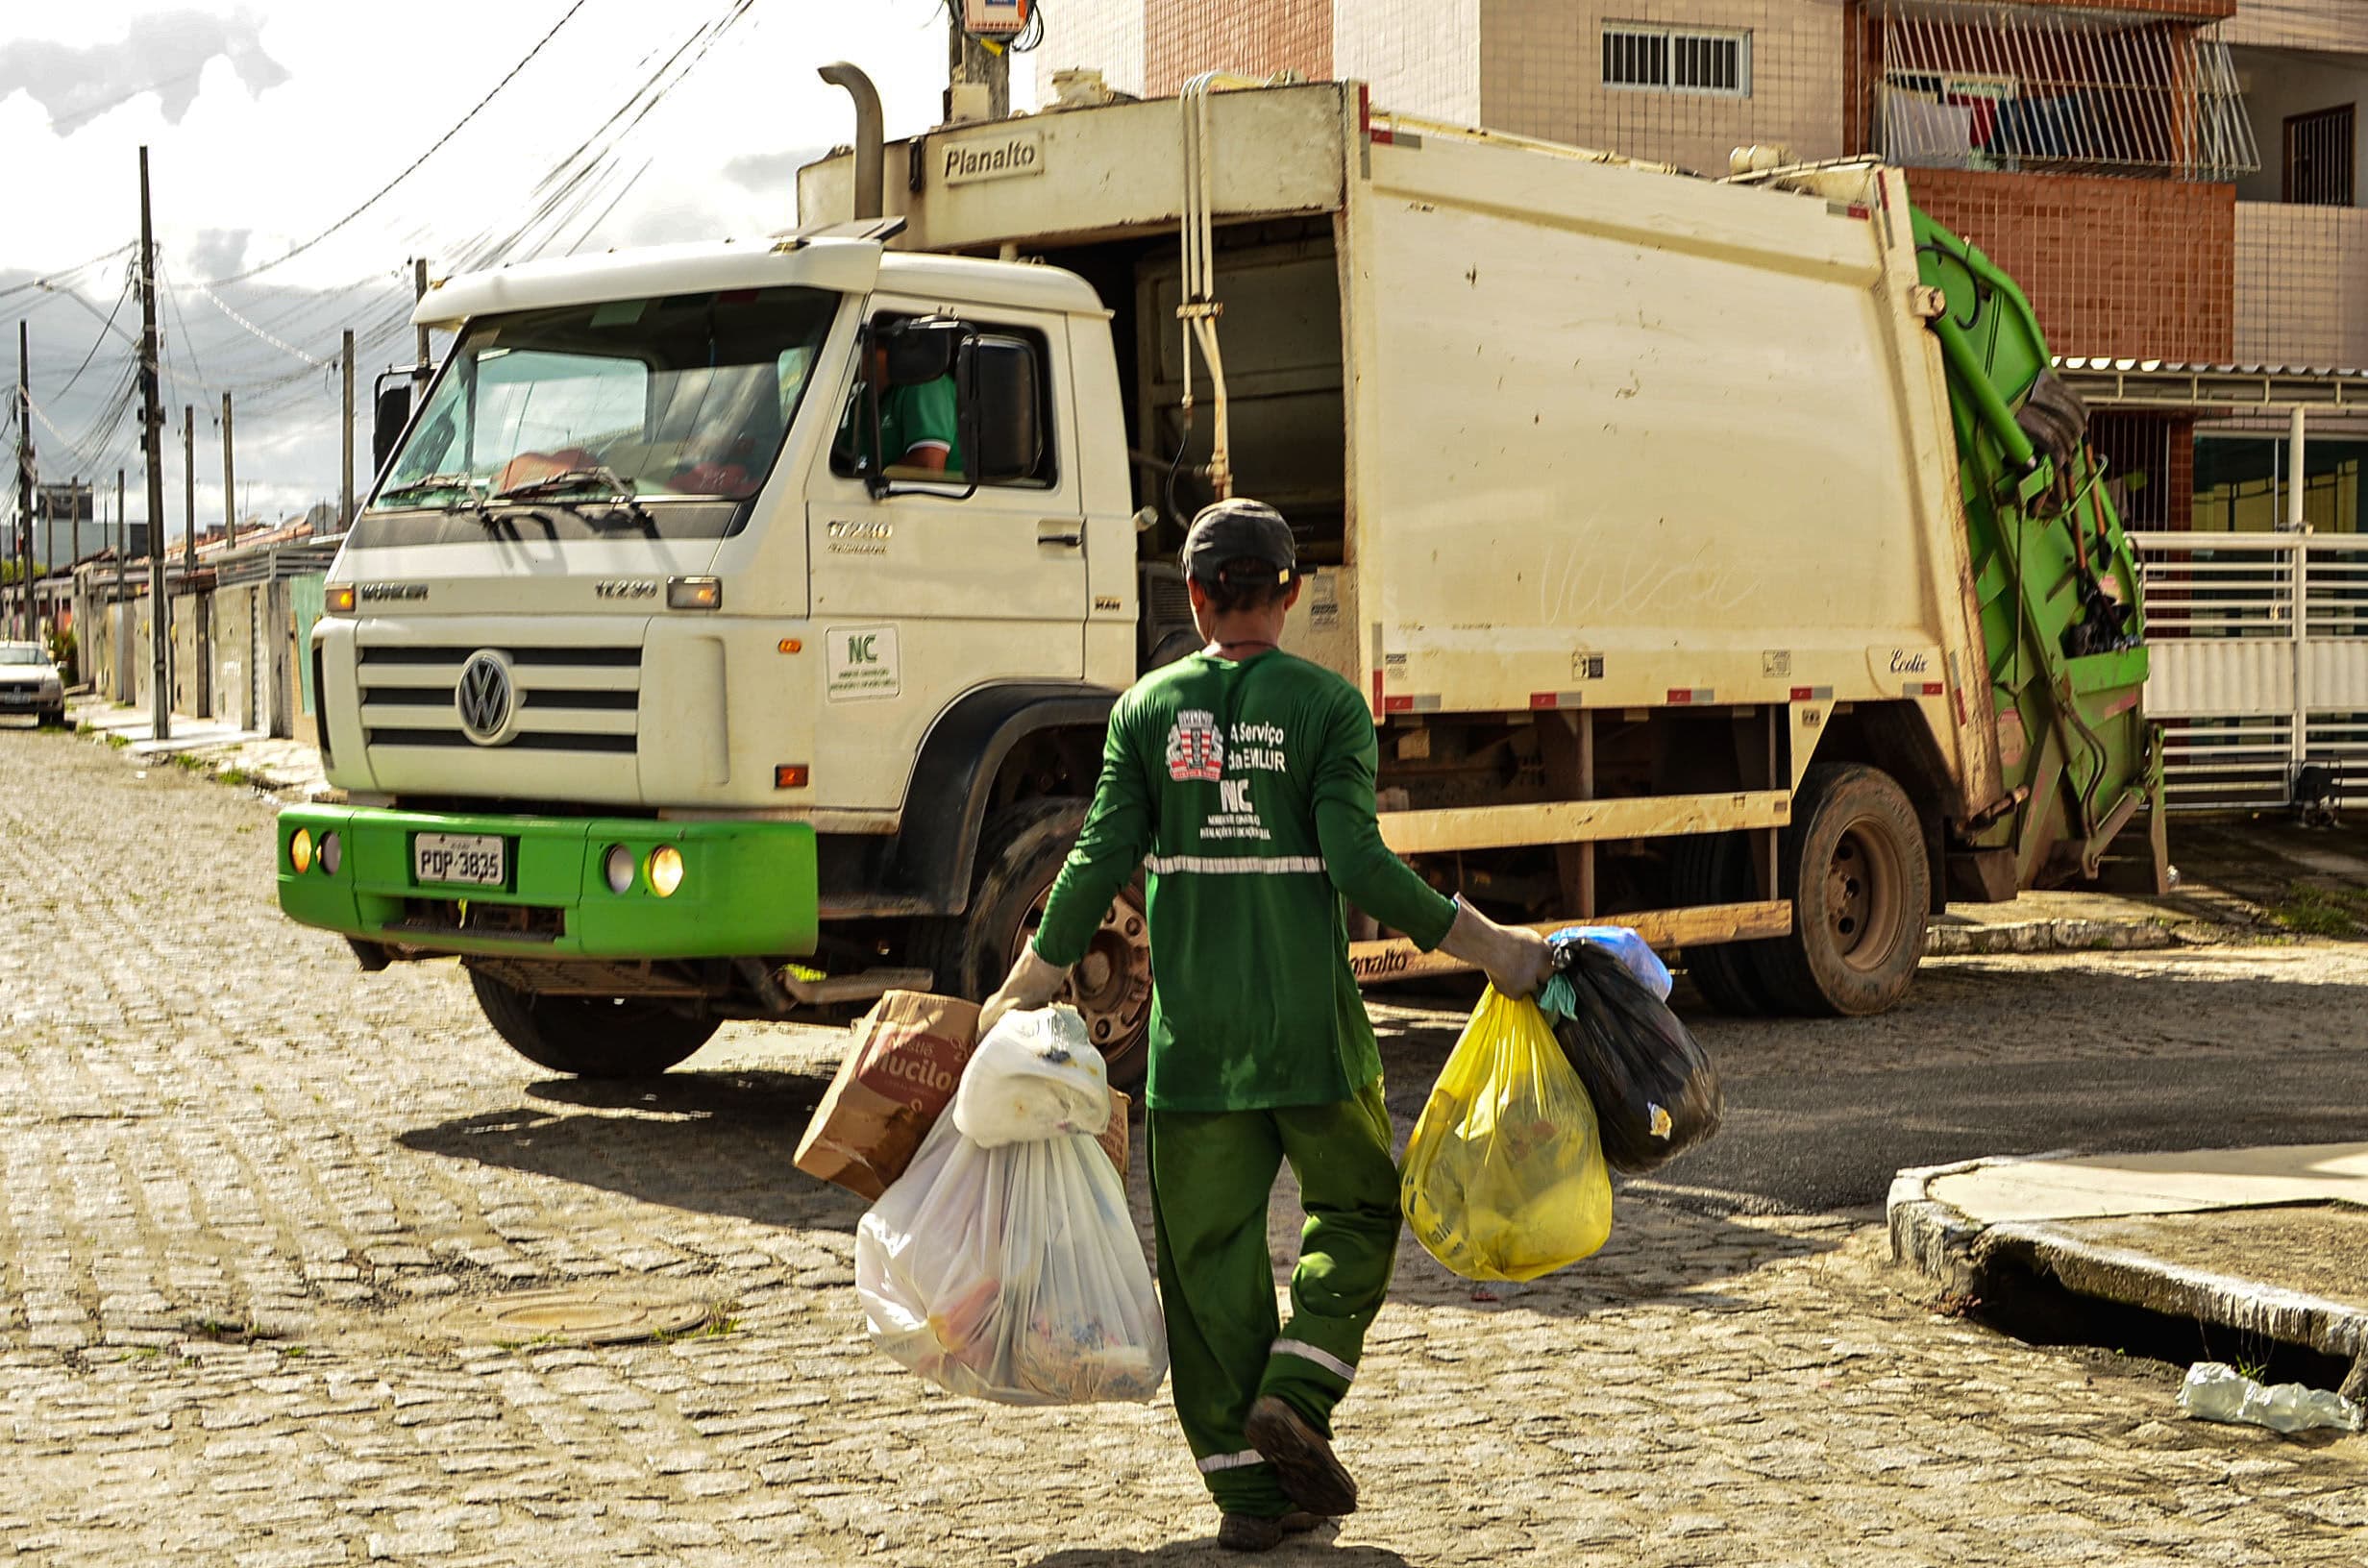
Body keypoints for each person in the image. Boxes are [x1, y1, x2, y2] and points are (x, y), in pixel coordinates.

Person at [979, 498, 1554, 1554]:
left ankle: (1249, 1501)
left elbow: (1093, 859)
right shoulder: (1328, 708)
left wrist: (1022, 984)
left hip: (1194, 1052)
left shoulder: (1144, 715)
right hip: (1310, 1040)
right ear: (1289, 595)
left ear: (1194, 597)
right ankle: (1299, 1386)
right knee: (1358, 1209)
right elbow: (1359, 865)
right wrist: (1498, 952)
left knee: (1205, 1270)